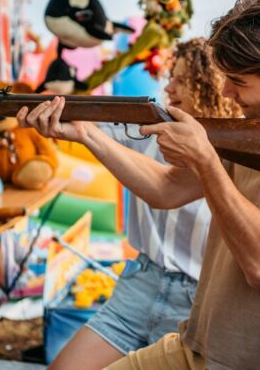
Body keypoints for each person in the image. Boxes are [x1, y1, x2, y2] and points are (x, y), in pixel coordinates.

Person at [18, 0, 260, 369]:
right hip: (198, 346)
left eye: (238, 81)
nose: (226, 91)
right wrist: (86, 134)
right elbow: (165, 188)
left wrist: (206, 161)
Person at [48, 38, 241, 369]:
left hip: (198, 301)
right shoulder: (145, 130)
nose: (170, 87)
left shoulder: (238, 148)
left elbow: (165, 188)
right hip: (140, 283)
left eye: (182, 79)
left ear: (210, 84)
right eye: (171, 77)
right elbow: (88, 124)